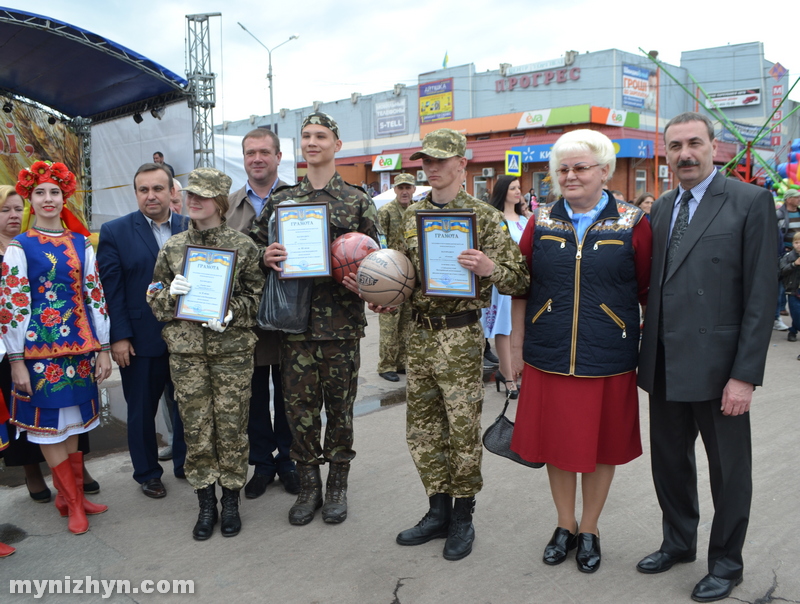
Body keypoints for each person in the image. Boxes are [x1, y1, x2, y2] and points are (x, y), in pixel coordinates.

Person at [636, 112, 774, 603]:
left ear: (715, 147)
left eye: (694, 143)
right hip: (665, 364)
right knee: (670, 466)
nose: (685, 154)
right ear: (666, 153)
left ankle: (727, 564)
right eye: (675, 147)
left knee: (729, 472)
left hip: (720, 372)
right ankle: (678, 542)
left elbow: (760, 297)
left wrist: (744, 376)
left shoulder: (749, 201)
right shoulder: (662, 207)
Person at [509, 130, 652, 574]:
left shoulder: (633, 223)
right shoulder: (541, 221)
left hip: (607, 354)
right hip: (548, 352)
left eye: (581, 167)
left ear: (604, 171)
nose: (570, 176)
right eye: (563, 169)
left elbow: (645, 285)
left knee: (602, 447)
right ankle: (564, 525)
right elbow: (520, 285)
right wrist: (514, 348)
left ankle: (589, 528)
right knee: (557, 446)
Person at [389, 129, 529, 561]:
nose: (430, 166)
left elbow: (520, 278)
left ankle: (463, 516)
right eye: (425, 160)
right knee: (424, 431)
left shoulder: (483, 218)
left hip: (461, 335)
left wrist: (488, 267)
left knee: (462, 430)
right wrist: (384, 296)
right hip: (421, 335)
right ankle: (437, 511)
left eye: (439, 159)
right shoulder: (411, 214)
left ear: (460, 165)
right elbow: (400, 274)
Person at [252, 112, 382, 526]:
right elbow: (254, 250)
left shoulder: (358, 200)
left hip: (341, 324)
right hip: (295, 326)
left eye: (321, 136)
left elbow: (379, 263)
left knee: (340, 410)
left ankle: (338, 486)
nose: (312, 142)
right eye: (306, 136)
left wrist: (373, 285)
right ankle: (309, 487)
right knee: (299, 410)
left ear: (336, 145)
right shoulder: (282, 200)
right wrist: (265, 256)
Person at [148, 167, 263, 540]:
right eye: (190, 194)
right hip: (187, 355)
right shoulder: (173, 247)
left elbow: (257, 300)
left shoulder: (243, 246)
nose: (192, 200)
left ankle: (230, 499)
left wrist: (232, 313)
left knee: (231, 427)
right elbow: (155, 299)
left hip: (231, 353)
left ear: (219, 202)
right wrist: (170, 294)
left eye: (202, 195)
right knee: (196, 429)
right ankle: (205, 502)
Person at [1, 161, 111, 535]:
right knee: (49, 426)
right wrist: (16, 361)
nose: (48, 199)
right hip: (36, 354)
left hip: (79, 349)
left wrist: (105, 346)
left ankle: (70, 497)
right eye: (40, 192)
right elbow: (13, 307)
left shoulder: (81, 243)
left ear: (65, 197)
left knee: (75, 421)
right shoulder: (20, 247)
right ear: (31, 198)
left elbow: (94, 295)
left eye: (55, 192)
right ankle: (74, 502)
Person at [98, 163, 188, 498]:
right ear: (136, 193)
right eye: (143, 189)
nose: (151, 195)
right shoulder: (115, 231)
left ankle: (184, 463)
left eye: (158, 188)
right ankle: (148, 473)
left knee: (186, 406)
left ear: (171, 192)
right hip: (139, 338)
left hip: (186, 338)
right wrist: (118, 337)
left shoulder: (190, 226)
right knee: (141, 410)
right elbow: (112, 290)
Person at [226, 128, 299, 498]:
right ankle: (262, 462)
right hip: (247, 320)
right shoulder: (228, 206)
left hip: (290, 315)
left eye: (264, 152)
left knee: (288, 391)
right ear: (244, 159)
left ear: (278, 156)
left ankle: (288, 460)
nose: (257, 158)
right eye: (250, 152)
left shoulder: (299, 200)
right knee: (252, 394)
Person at [483, 175, 528, 398]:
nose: (518, 191)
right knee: (504, 327)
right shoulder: (494, 219)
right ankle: (509, 377)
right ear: (503, 191)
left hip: (522, 282)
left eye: (519, 188)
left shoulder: (525, 220)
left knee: (520, 327)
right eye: (513, 188)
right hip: (501, 282)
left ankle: (513, 371)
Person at [376, 173, 415, 382]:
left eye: (408, 187)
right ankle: (386, 365)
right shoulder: (386, 212)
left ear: (414, 189)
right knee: (390, 320)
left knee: (407, 321)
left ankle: (401, 362)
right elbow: (379, 241)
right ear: (395, 190)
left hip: (411, 274)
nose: (405, 191)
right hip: (390, 274)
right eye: (401, 188)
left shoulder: (416, 211)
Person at [774, 189, 800, 330]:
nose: (799, 199)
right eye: (796, 197)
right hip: (785, 254)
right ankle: (776, 317)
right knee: (780, 286)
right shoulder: (779, 214)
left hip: (798, 252)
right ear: (788, 199)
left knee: (792, 285)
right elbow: (776, 234)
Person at [779, 231, 800, 342]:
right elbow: (782, 270)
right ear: (792, 244)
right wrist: (794, 264)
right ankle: (794, 328)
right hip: (794, 290)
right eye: (796, 242)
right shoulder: (789, 256)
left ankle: (793, 331)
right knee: (796, 313)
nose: (799, 245)